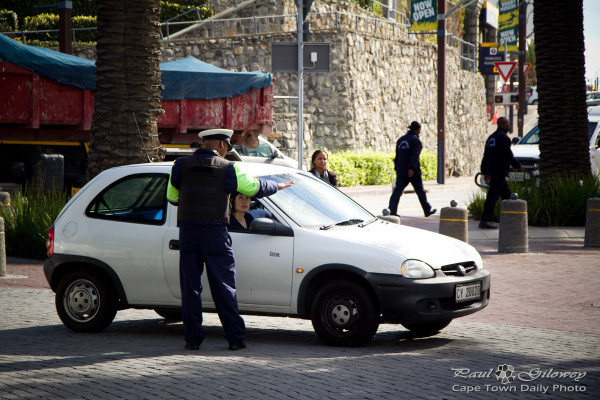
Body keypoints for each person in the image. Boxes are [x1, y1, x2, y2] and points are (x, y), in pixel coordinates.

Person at [166, 128, 294, 351]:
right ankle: (235, 339)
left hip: (188, 232)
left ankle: (192, 340)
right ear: (222, 146)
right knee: (224, 286)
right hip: (215, 233)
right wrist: (277, 185)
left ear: (205, 144)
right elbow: (254, 187)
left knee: (190, 287)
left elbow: (172, 197)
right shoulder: (227, 168)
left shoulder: (180, 165)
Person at [479, 117, 525, 229]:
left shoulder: (491, 138)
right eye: (508, 124)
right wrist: (518, 165)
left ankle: (513, 219)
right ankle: (485, 220)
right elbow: (508, 155)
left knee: (507, 196)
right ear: (503, 125)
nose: (509, 126)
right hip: (499, 171)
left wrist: (485, 171)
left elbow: (486, 156)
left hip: (493, 171)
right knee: (492, 197)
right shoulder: (504, 138)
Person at [387, 121, 436, 218]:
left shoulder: (400, 140)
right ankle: (427, 210)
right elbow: (415, 156)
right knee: (420, 190)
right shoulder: (415, 140)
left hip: (401, 169)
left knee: (398, 190)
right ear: (418, 129)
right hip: (412, 171)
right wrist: (412, 169)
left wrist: (397, 168)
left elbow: (397, 157)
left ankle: (392, 209)